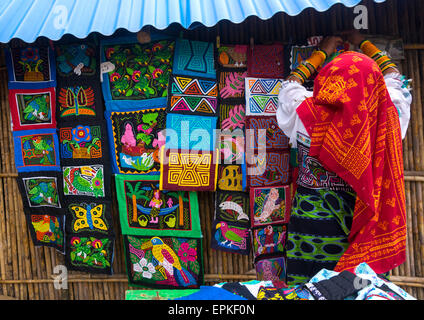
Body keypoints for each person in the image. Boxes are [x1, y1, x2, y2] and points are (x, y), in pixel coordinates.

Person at [276, 30, 412, 286]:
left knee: (309, 289)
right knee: (359, 289)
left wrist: (321, 53)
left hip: (311, 227)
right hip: (364, 230)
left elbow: (289, 85)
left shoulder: (304, 111)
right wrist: (364, 43)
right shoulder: (387, 115)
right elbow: (396, 78)